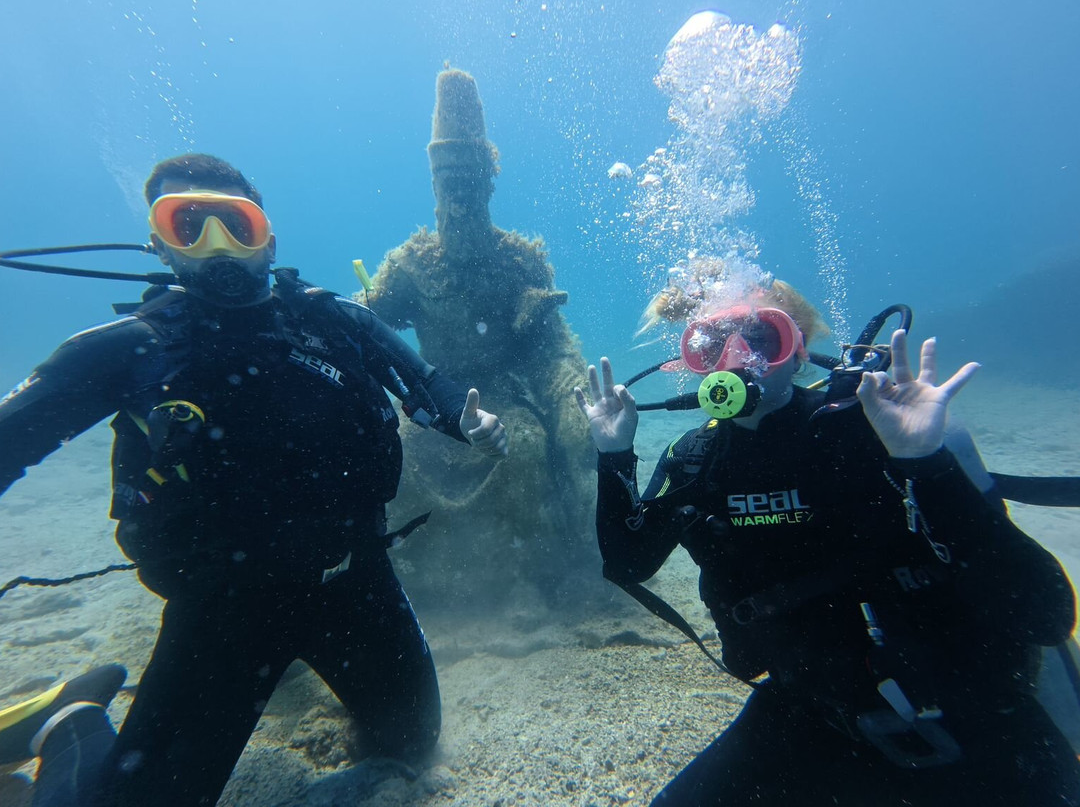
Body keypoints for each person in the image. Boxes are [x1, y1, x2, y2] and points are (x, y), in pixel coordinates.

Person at [0, 153, 508, 806]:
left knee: (410, 744)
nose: (217, 247)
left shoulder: (337, 323)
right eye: (189, 226)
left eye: (234, 225)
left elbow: (430, 389)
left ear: (267, 236)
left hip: (353, 585)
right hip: (221, 612)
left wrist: (471, 424)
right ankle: (71, 722)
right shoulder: (128, 348)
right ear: (160, 245)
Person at [575, 279, 1080, 805]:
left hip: (971, 722)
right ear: (693, 364)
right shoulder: (696, 459)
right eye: (710, 344)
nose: (736, 358)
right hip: (814, 716)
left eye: (762, 339)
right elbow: (627, 563)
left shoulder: (872, 432)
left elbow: (1046, 612)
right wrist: (614, 454)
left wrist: (926, 462)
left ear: (798, 353)